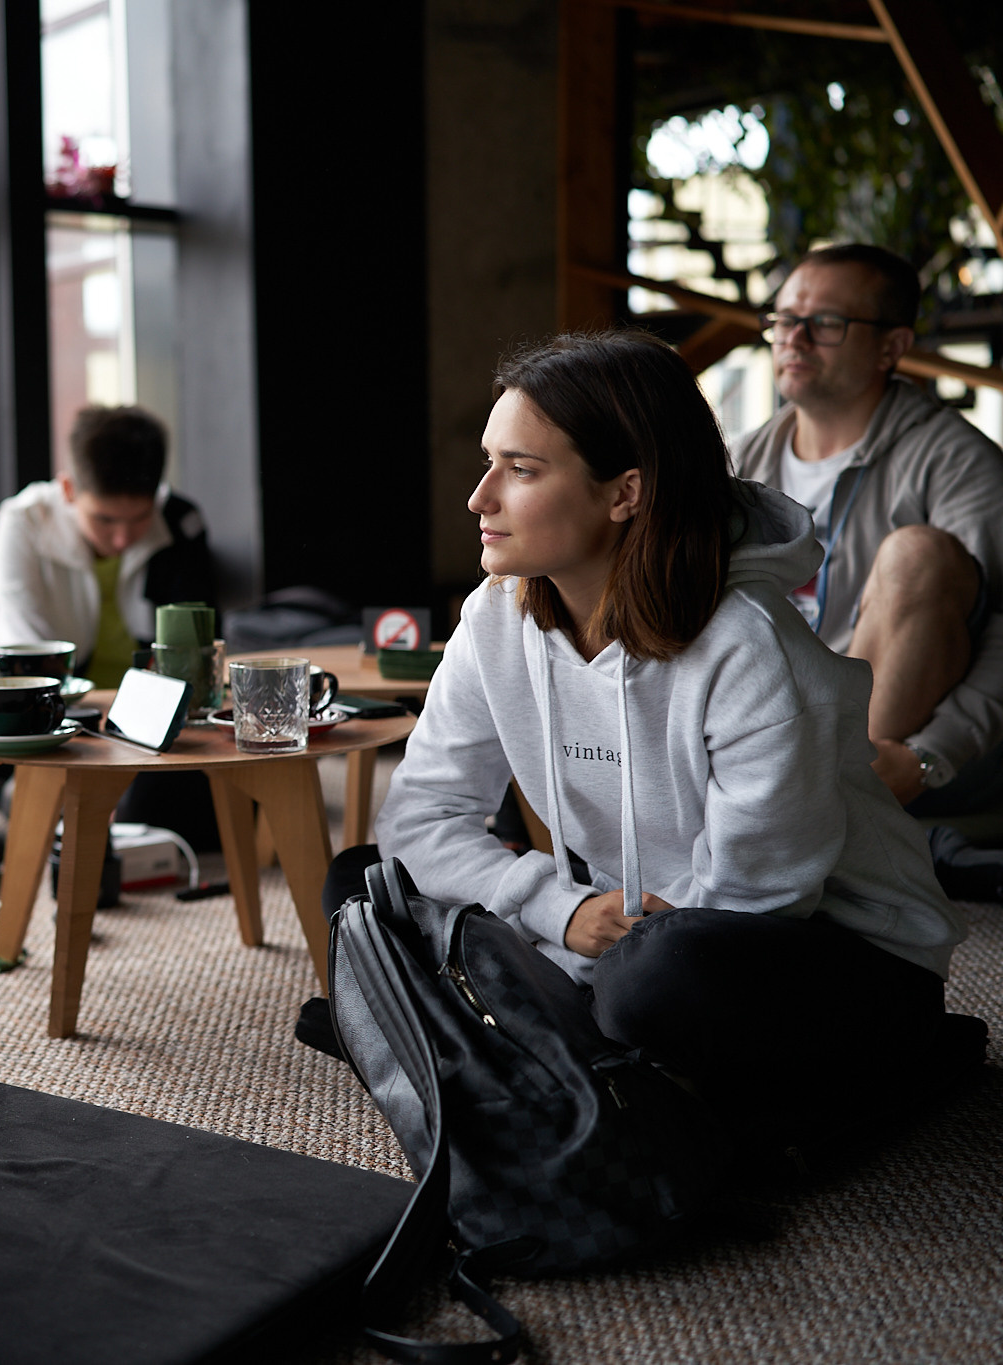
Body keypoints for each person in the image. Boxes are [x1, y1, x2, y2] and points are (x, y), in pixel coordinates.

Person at [370, 330, 970, 1147]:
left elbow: (758, 901)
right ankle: (613, 1056)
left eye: (521, 469)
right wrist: (561, 908)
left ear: (626, 492)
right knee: (367, 892)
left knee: (658, 980)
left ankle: (896, 1065)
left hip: (826, 950)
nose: (479, 497)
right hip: (631, 929)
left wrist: (581, 957)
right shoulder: (494, 618)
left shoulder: (748, 648)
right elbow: (419, 819)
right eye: (489, 461)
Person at [730, 244, 1003, 816]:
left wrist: (931, 754)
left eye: (825, 323)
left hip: (907, 756)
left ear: (892, 346)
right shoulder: (739, 461)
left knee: (916, 554)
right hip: (769, 739)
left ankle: (836, 810)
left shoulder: (956, 460)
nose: (795, 339)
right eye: (783, 320)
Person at [0, 405, 215, 690]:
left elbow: (193, 657)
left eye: (140, 517)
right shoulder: (24, 522)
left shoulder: (180, 523)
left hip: (157, 707)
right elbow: (24, 657)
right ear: (68, 490)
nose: (122, 538)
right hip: (60, 708)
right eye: (104, 519)